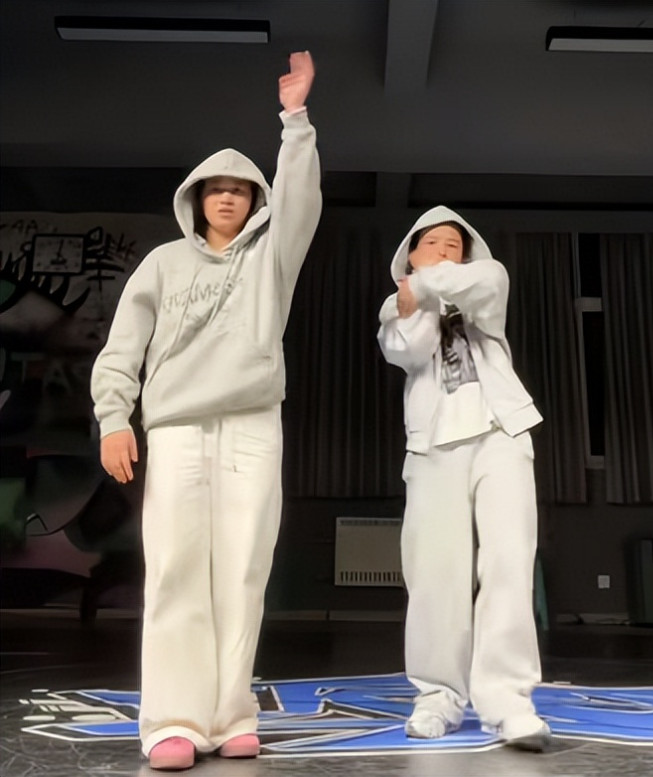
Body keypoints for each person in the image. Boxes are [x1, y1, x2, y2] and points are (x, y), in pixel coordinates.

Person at [90, 52, 321, 771]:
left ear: (255, 200)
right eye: (215, 189)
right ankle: (172, 720)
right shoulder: (163, 263)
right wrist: (114, 418)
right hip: (177, 426)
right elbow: (122, 346)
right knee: (176, 569)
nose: (226, 198)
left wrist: (295, 120)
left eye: (239, 189)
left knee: (244, 569)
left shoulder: (271, 259)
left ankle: (230, 714)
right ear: (195, 199)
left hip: (252, 423)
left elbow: (302, 199)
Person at [377, 206, 550, 751]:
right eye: (433, 243)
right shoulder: (395, 306)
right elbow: (406, 350)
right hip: (433, 445)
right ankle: (438, 696)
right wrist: (419, 299)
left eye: (455, 244)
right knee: (434, 573)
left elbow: (485, 281)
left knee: (509, 562)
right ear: (409, 255)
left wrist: (426, 284)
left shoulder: (485, 282)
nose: (446, 250)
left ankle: (508, 701)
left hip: (501, 433)